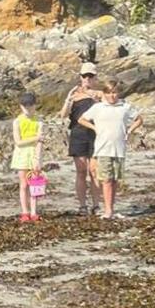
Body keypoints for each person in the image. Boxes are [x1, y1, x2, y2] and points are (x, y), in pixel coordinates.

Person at [78, 80, 143, 219]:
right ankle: (107, 210)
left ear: (118, 93)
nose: (112, 96)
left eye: (114, 92)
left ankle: (111, 209)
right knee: (106, 180)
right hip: (103, 149)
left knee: (114, 180)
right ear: (105, 94)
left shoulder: (125, 107)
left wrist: (130, 130)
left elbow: (138, 119)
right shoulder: (98, 107)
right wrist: (94, 128)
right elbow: (82, 119)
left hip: (119, 149)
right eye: (109, 93)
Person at [60, 62, 101, 215]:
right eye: (85, 76)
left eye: (91, 76)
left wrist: (94, 98)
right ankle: (82, 205)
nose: (87, 79)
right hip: (78, 134)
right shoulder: (74, 94)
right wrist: (69, 100)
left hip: (96, 134)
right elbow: (63, 115)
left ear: (95, 77)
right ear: (81, 77)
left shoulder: (100, 94)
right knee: (81, 171)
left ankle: (96, 205)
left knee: (95, 171)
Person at [11, 92, 44, 223]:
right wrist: (36, 138)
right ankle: (25, 211)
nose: (28, 108)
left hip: (34, 153)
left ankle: (34, 211)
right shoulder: (17, 121)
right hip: (22, 154)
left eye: (30, 105)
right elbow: (18, 141)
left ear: (35, 105)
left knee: (35, 183)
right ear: (21, 106)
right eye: (25, 106)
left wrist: (38, 158)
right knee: (23, 184)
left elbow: (41, 142)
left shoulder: (39, 121)